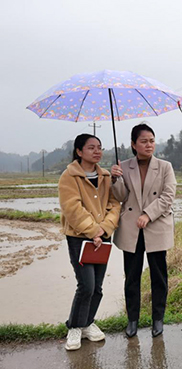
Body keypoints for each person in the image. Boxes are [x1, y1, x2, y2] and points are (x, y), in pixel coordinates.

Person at [110, 123, 177, 338]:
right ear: (133, 144)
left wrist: (148, 214)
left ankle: (158, 318)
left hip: (155, 226)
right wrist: (115, 178)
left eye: (151, 141)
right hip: (131, 229)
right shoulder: (125, 166)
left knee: (159, 276)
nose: (149, 145)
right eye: (144, 141)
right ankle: (132, 320)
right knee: (132, 277)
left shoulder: (165, 166)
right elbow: (120, 197)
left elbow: (168, 196)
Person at [59, 134, 121, 351]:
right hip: (79, 238)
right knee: (86, 285)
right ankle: (74, 326)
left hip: (103, 237)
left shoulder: (105, 176)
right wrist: (94, 230)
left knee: (98, 287)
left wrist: (104, 228)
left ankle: (87, 323)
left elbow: (114, 204)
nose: (97, 151)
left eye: (100, 148)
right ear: (79, 151)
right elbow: (72, 208)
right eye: (91, 148)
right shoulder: (69, 176)